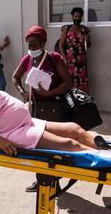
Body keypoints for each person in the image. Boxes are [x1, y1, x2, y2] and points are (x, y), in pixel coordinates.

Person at [13, 25, 74, 192]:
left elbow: (68, 82)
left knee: (53, 145)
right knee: (38, 145)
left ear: (43, 42)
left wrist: (49, 93)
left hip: (54, 106)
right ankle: (42, 179)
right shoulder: (27, 59)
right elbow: (15, 77)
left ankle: (54, 179)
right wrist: (23, 93)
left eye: (35, 45)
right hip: (36, 108)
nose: (32, 49)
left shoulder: (54, 58)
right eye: (29, 45)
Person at [59, 7, 91, 93]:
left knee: (82, 82)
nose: (77, 18)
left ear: (81, 17)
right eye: (75, 16)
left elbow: (89, 46)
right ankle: (71, 103)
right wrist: (64, 58)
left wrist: (87, 39)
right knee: (70, 81)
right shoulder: (66, 29)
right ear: (72, 17)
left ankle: (82, 102)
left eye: (79, 16)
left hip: (81, 61)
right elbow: (61, 45)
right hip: (70, 61)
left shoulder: (84, 30)